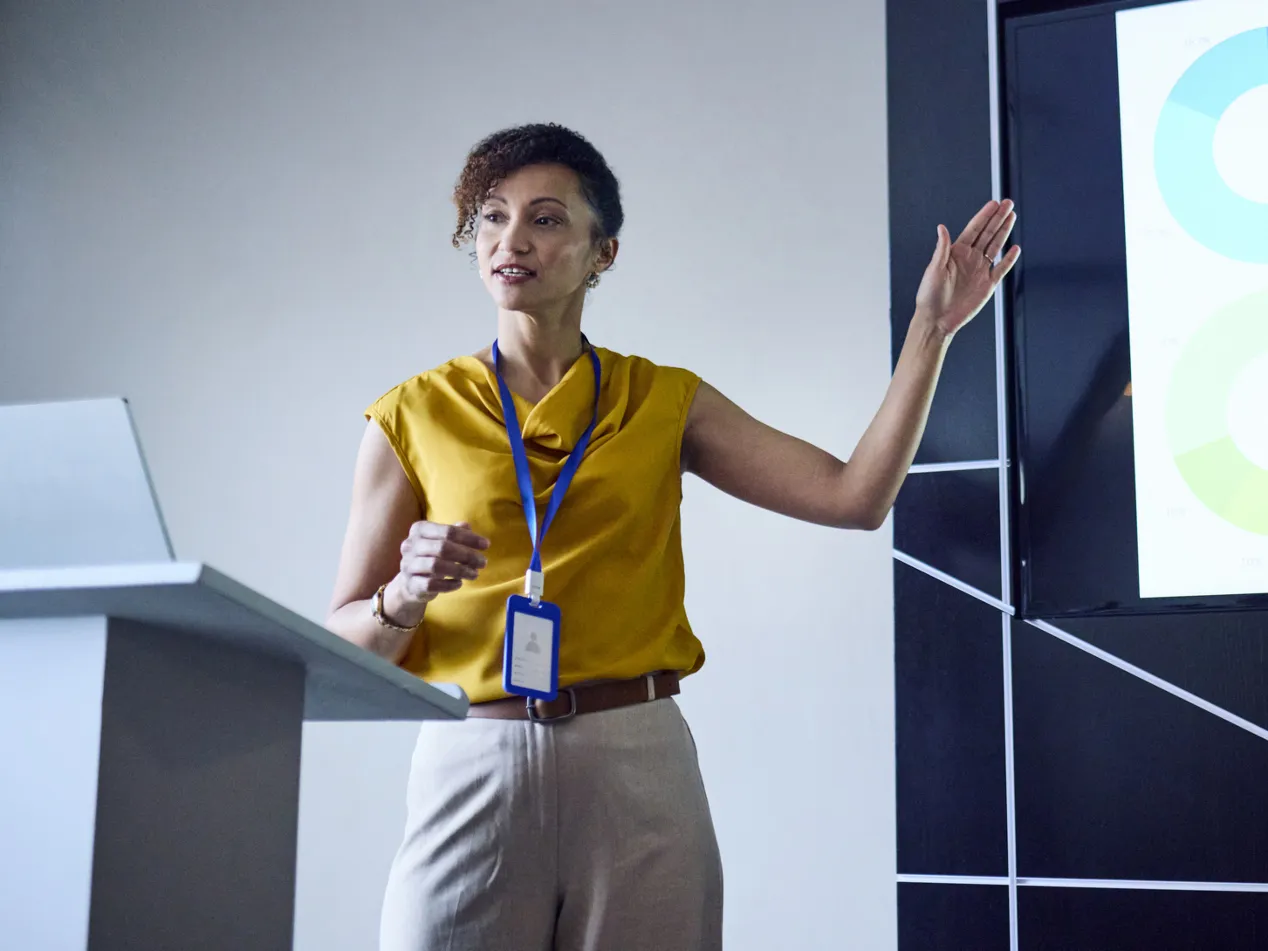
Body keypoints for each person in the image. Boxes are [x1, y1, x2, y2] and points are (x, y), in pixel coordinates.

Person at [326, 123, 1019, 951]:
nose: (511, 240)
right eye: (492, 217)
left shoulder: (663, 399)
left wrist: (930, 331)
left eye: (545, 219)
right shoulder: (411, 412)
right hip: (472, 757)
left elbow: (853, 496)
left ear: (601, 253)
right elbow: (346, 641)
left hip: (636, 761)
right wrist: (403, 594)